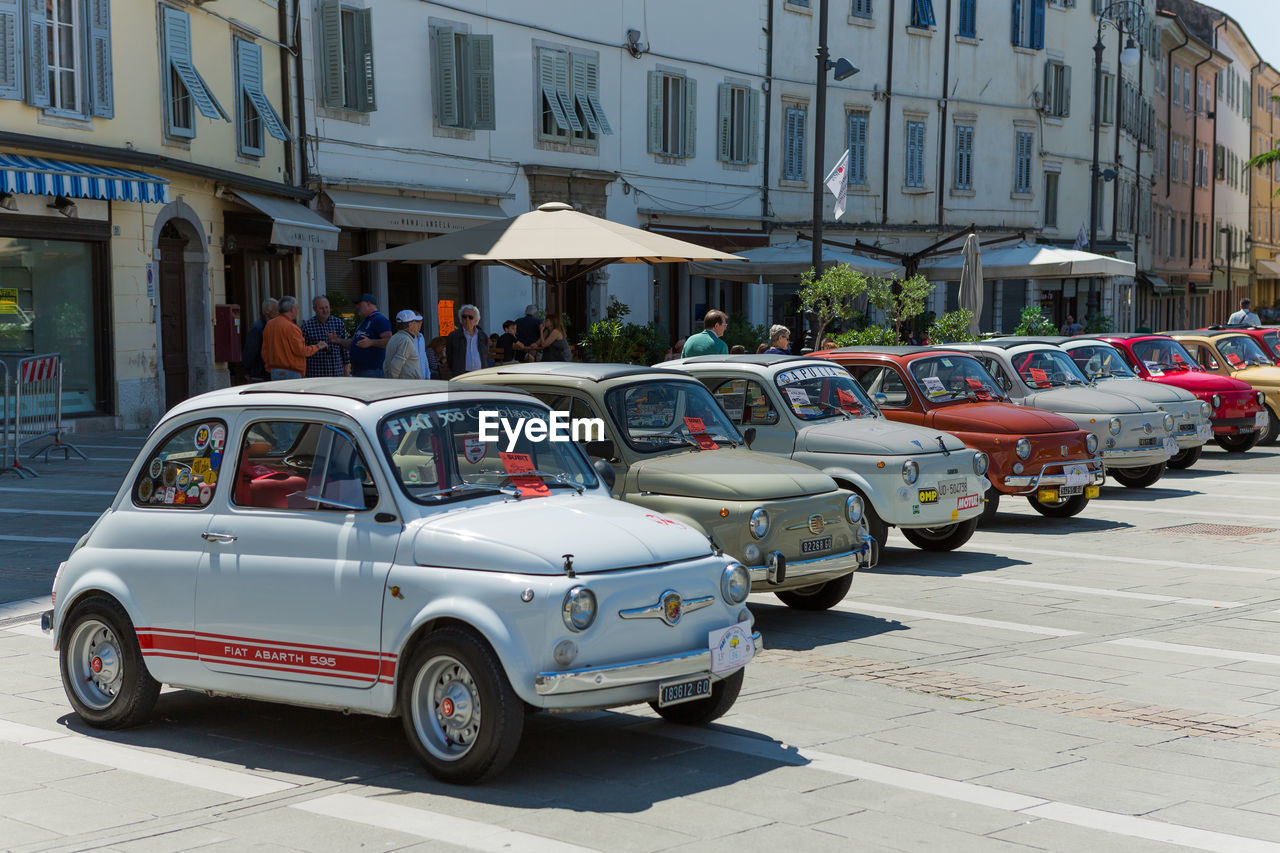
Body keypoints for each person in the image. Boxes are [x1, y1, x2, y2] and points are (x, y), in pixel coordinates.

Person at [262, 296, 327, 380]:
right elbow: (301, 351)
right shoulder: (291, 327)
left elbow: (265, 351)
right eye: (297, 308)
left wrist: (269, 367)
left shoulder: (269, 325)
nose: (297, 311)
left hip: (274, 371)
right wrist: (318, 346)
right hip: (291, 372)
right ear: (292, 309)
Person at [329, 293, 392, 377]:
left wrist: (371, 342)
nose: (357, 307)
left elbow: (389, 341)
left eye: (359, 304)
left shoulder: (380, 319)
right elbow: (353, 343)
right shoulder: (364, 322)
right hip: (358, 371)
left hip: (372, 371)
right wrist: (338, 340)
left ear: (368, 304)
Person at [300, 296, 350, 377]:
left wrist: (347, 367)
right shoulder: (307, 326)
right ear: (314, 309)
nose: (325, 310)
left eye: (327, 307)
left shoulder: (338, 323)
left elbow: (344, 349)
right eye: (321, 308)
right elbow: (303, 350)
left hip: (336, 372)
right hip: (316, 372)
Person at [445, 304, 493, 376]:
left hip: (480, 374)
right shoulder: (453, 336)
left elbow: (485, 354)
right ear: (461, 319)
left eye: (470, 317)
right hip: (462, 375)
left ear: (476, 320)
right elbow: (450, 358)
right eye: (464, 317)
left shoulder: (483, 336)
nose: (467, 319)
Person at [241, 297, 278, 382]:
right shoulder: (258, 327)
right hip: (259, 372)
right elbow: (250, 350)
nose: (278, 312)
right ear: (267, 310)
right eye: (276, 309)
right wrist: (246, 370)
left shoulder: (272, 325)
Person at [383, 310, 423, 380]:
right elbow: (395, 366)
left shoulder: (394, 338)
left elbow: (386, 364)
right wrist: (394, 383)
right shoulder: (406, 341)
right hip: (408, 385)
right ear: (410, 325)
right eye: (416, 322)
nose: (418, 325)